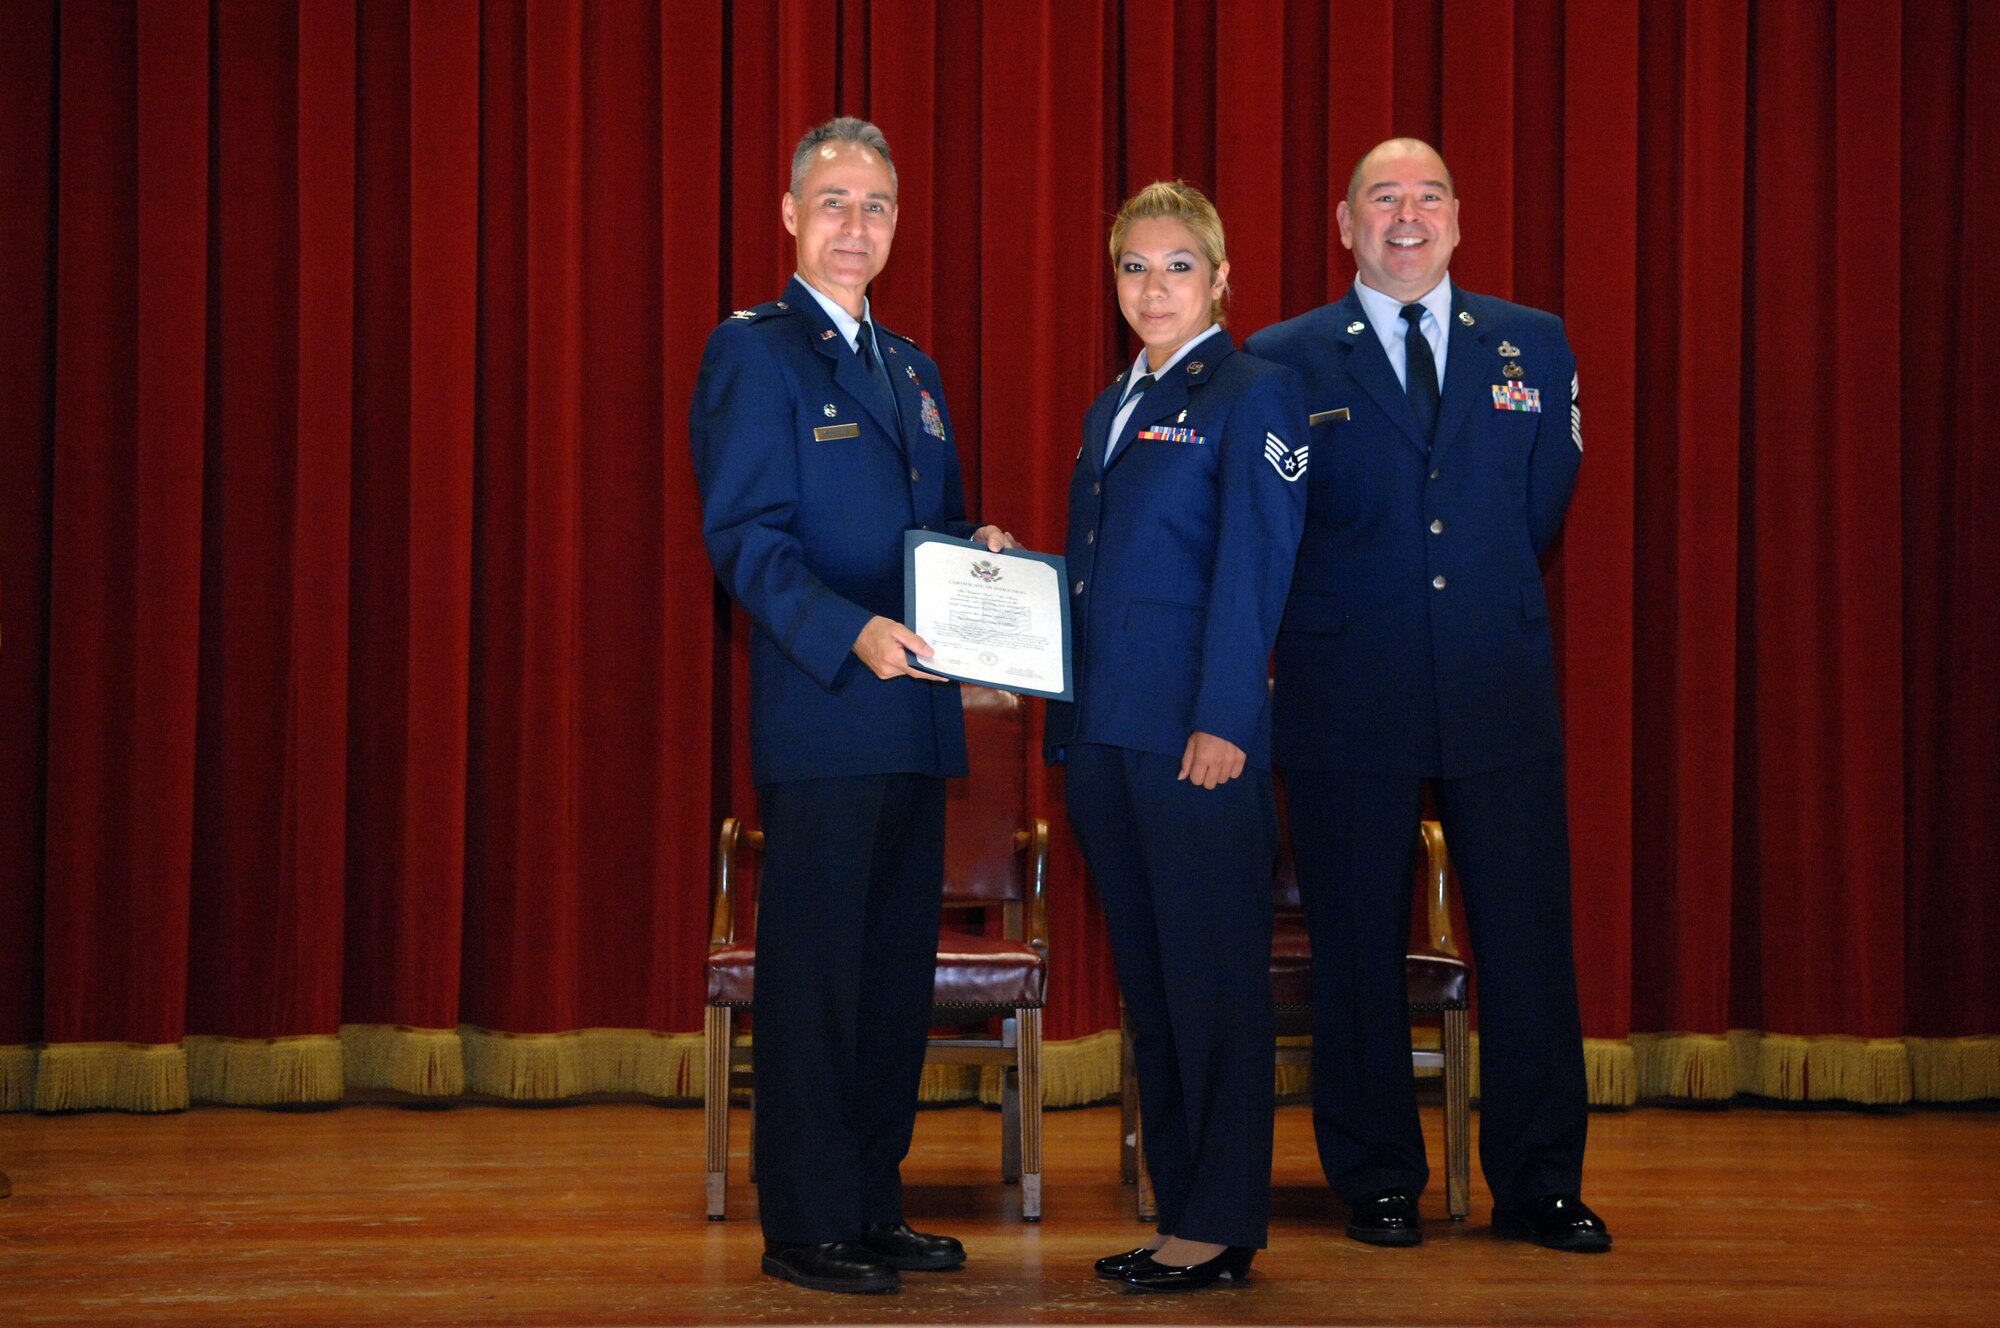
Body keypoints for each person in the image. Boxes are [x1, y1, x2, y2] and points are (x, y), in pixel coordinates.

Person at [1245, 137, 1608, 1252]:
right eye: (1381, 199)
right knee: (1354, 944)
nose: (1406, 216)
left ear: (1456, 217)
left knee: (1528, 942)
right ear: (1343, 224)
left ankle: (1539, 1178)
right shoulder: (1283, 358)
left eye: (1428, 195)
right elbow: (1276, 526)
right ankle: (1376, 1175)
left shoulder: (1532, 344)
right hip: (1345, 687)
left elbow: (1538, 502)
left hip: (1494, 680)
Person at [689, 116, 1015, 1295]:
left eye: (874, 205)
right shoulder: (755, 354)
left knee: (890, 981)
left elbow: (932, 531)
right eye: (831, 202)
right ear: (788, 215)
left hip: (917, 723)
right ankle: (805, 1221)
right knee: (817, 980)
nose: (853, 225)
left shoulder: (911, 368)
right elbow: (748, 542)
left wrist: (980, 555)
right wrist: (850, 630)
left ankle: (871, 1201)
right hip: (827, 712)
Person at [1048, 181, 1308, 1291]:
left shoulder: (1254, 393)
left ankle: (1218, 1221)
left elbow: (1256, 570)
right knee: (1152, 992)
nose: (1152, 287)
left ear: (1219, 280)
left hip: (1194, 743)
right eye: (1133, 268)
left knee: (1211, 989)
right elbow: (1108, 577)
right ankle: (1178, 1212)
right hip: (1106, 739)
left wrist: (1223, 720)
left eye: (1176, 266)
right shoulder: (1113, 402)